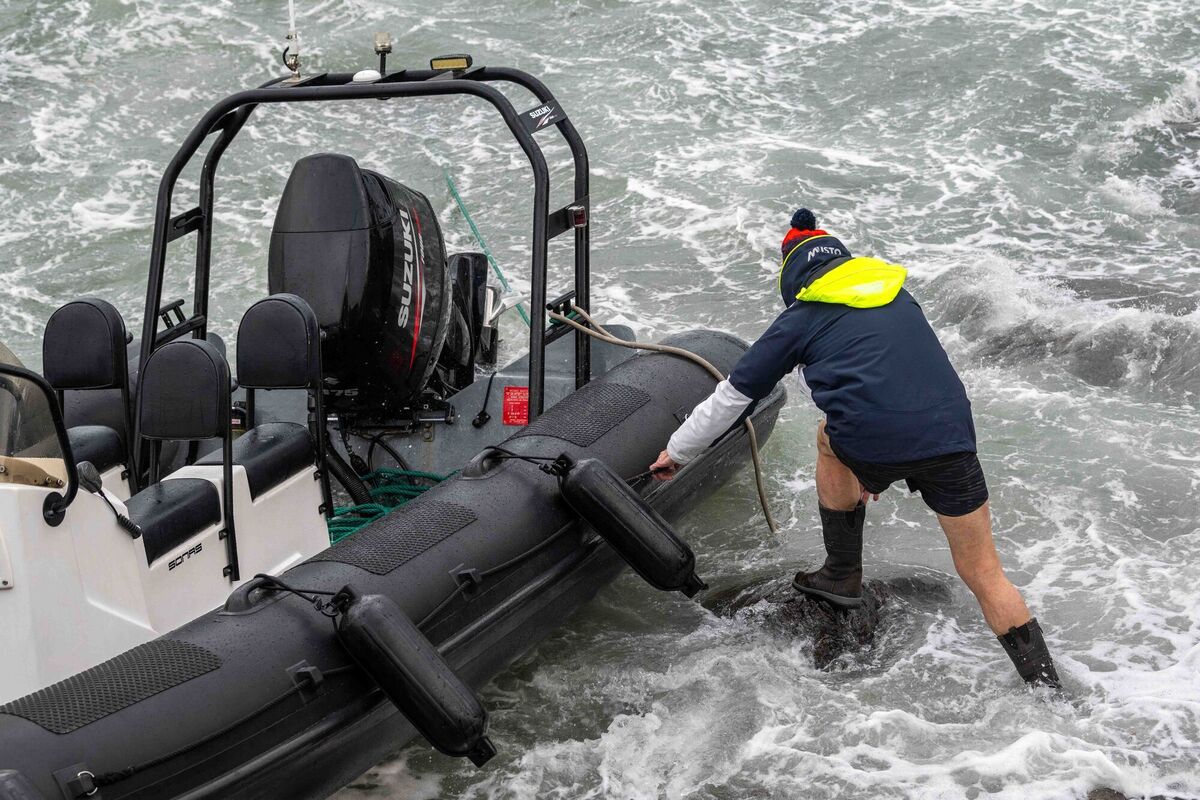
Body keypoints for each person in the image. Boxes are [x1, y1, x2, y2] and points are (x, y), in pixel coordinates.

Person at [650, 209, 1061, 689]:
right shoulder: (899, 298)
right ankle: (1046, 687)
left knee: (828, 439)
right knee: (985, 572)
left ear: (796, 279)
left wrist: (677, 452)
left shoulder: (800, 320)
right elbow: (897, 373)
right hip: (952, 437)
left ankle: (841, 573)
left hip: (874, 440)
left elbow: (734, 398)